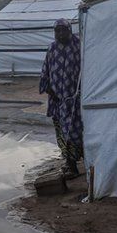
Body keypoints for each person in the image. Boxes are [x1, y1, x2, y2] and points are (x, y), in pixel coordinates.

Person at [39, 18, 84, 177]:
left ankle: (78, 164)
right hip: (57, 100)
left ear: (70, 30)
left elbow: (85, 72)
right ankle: (69, 163)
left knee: (77, 131)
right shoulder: (52, 49)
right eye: (57, 30)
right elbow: (45, 72)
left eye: (63, 30)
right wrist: (51, 92)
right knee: (62, 133)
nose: (60, 33)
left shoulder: (78, 47)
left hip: (75, 100)